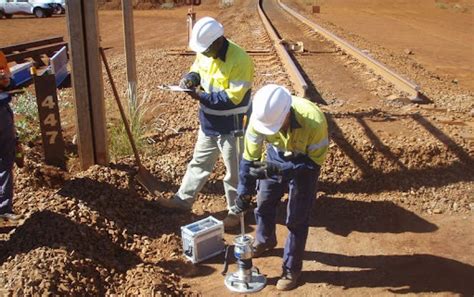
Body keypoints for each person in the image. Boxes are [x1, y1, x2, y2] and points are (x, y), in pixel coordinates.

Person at [157, 17, 254, 230]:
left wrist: (200, 96)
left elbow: (233, 98)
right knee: (198, 163)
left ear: (218, 42)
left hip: (232, 125)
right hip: (209, 123)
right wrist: (189, 79)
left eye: (206, 49)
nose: (203, 53)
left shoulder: (240, 60)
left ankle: (236, 212)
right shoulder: (205, 52)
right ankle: (182, 201)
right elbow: (197, 69)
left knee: (234, 173)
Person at [231, 84, 329, 290]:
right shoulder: (259, 120)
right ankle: (265, 240)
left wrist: (280, 170)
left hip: (304, 163)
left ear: (287, 113)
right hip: (276, 155)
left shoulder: (314, 121)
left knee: (297, 219)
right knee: (264, 202)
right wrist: (243, 192)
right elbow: (249, 159)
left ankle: (292, 268)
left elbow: (314, 164)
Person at [0, 51, 22, 223]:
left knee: (6, 160)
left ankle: (4, 208)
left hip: (2, 112)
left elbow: (11, 81)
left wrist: (6, 81)